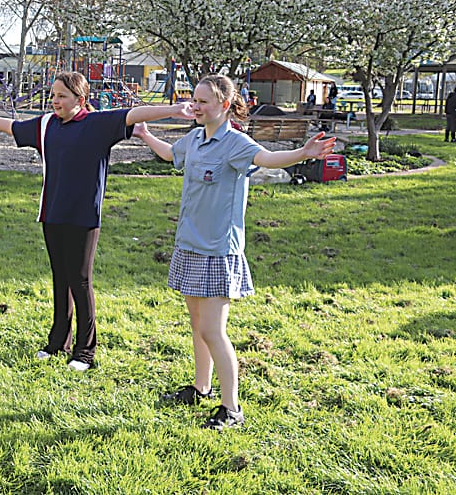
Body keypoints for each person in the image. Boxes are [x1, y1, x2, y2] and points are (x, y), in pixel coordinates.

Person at [133, 75, 334, 430]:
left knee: (213, 330)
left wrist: (303, 153)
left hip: (217, 251)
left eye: (203, 102)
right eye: (194, 100)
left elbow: (268, 158)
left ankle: (232, 408)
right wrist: (147, 135)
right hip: (189, 245)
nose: (195, 106)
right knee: (197, 326)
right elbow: (171, 155)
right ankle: (201, 387)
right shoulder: (195, 138)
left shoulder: (235, 143)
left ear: (224, 106)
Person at [0, 71, 195, 372]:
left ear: (80, 99)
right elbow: (14, 127)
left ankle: (85, 352)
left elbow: (135, 113)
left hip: (83, 217)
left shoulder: (97, 124)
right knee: (61, 279)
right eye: (54, 95)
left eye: (62, 96)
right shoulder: (46, 124)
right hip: (52, 214)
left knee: (80, 281)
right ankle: (58, 342)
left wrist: (174, 109)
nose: (55, 101)